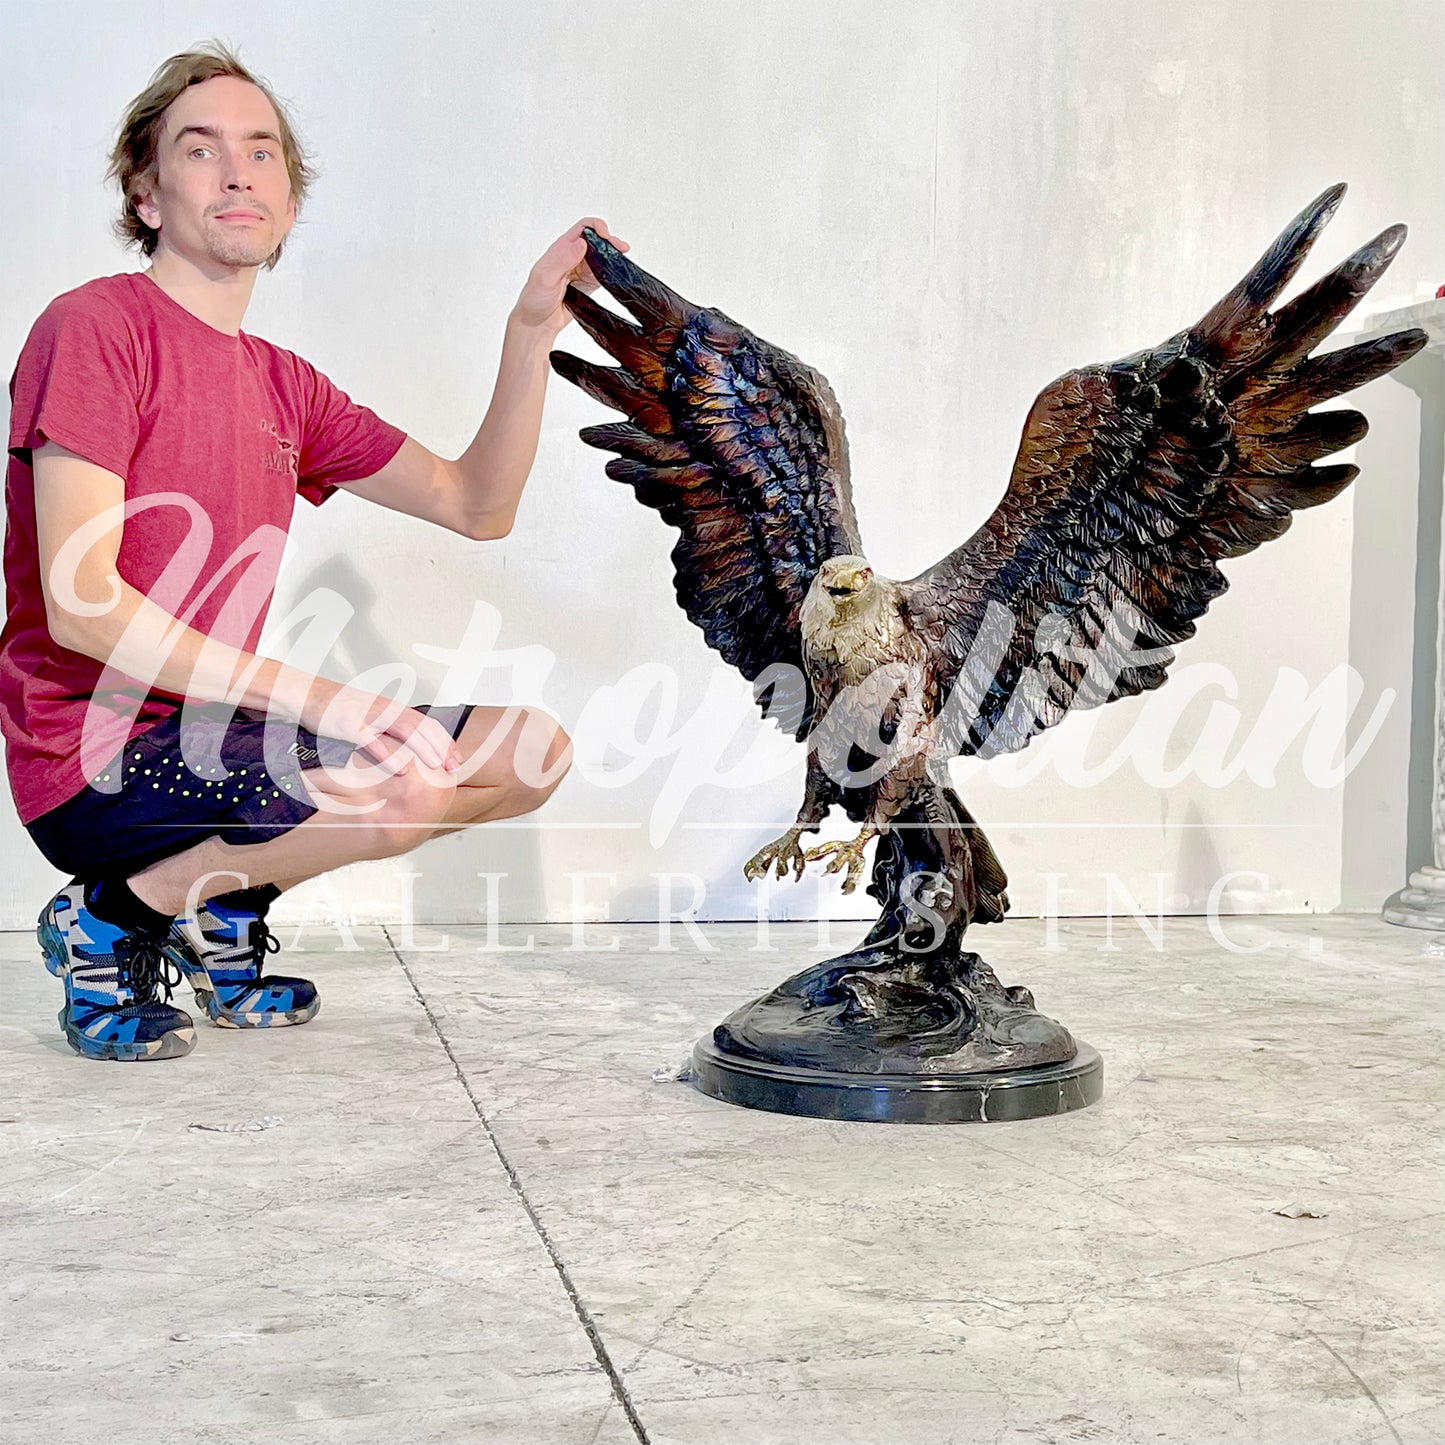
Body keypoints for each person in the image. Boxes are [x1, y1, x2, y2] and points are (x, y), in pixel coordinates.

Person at [2, 43, 623, 1061]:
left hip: (219, 744)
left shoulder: (284, 385)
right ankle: (111, 914)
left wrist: (526, 332)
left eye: (261, 153)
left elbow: (477, 504)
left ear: (289, 202)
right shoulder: (94, 330)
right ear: (146, 193)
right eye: (199, 151)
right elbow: (83, 606)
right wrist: (337, 702)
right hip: (91, 763)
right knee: (401, 779)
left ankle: (220, 902)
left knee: (530, 748)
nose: (237, 171)